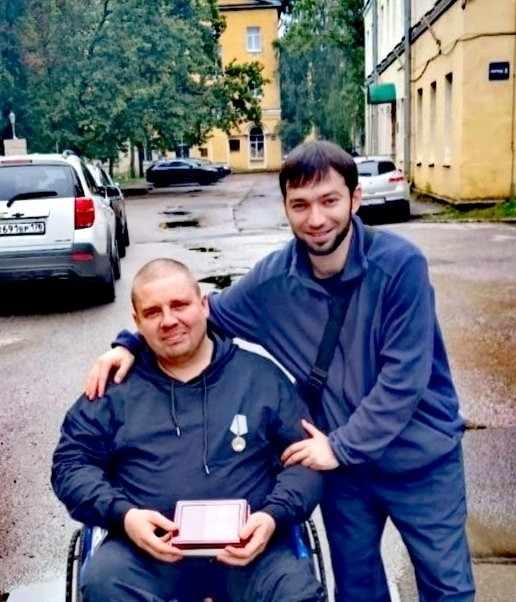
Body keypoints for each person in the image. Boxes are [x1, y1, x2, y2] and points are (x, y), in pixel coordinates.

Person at [86, 140, 475, 602]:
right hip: (343, 472)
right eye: (300, 205)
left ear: (355, 199)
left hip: (418, 460)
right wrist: (130, 344)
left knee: (446, 587)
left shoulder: (400, 266)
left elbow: (404, 380)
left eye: (329, 201)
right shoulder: (273, 282)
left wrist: (340, 447)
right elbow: (200, 319)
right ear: (286, 208)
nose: (316, 219)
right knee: (358, 590)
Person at [52, 258, 325, 602]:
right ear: (137, 323)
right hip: (146, 553)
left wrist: (273, 516)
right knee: (103, 583)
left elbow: (305, 461)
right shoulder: (113, 390)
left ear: (203, 306)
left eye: (179, 305)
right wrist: (124, 514)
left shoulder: (261, 378)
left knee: (296, 592)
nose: (168, 320)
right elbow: (71, 463)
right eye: (153, 312)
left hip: (251, 551)